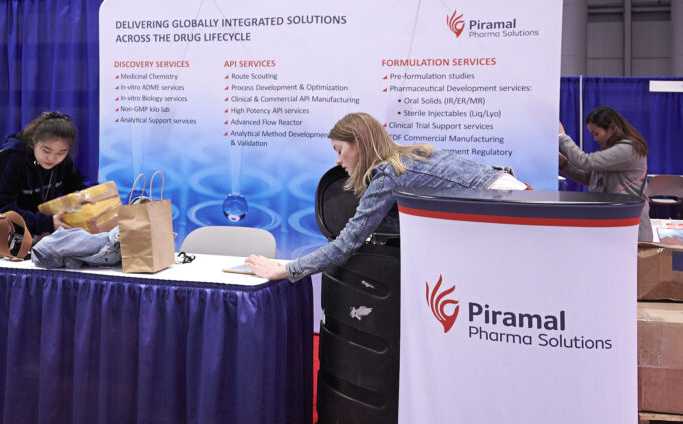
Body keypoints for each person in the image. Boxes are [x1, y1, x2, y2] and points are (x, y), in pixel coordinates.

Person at [244, 112, 527, 282]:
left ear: (359, 144)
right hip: (520, 203)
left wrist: (286, 270)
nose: (338, 161)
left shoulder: (389, 173)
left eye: (339, 149)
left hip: (507, 214)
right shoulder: (413, 156)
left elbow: (345, 245)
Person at [0, 111, 86, 235]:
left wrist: (89, 201)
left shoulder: (64, 162)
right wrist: (46, 223)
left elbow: (77, 189)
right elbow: (3, 209)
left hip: (17, 230)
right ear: (34, 141)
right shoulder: (10, 160)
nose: (52, 158)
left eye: (61, 152)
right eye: (46, 150)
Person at [558, 105, 651, 241]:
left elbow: (585, 161)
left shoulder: (628, 149)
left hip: (631, 228)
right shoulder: (614, 149)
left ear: (611, 128)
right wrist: (564, 165)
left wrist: (562, 137)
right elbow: (589, 179)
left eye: (596, 133)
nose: (595, 139)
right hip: (615, 224)